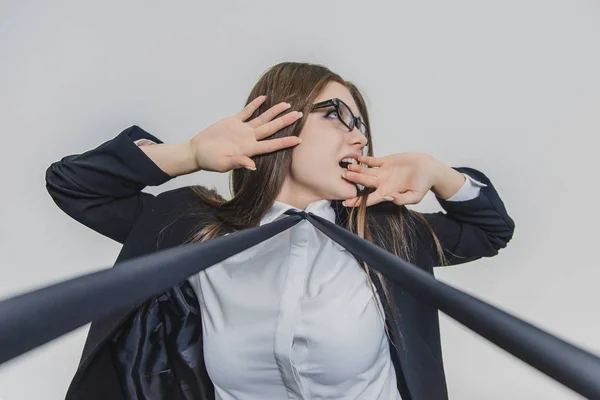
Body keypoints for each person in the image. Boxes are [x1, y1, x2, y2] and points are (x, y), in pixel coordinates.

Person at [46, 62, 515, 400]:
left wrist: (438, 172)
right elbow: (76, 186)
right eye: (336, 115)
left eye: (362, 126)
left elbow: (489, 229)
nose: (359, 137)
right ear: (277, 122)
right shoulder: (193, 227)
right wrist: (189, 153)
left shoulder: (389, 232)